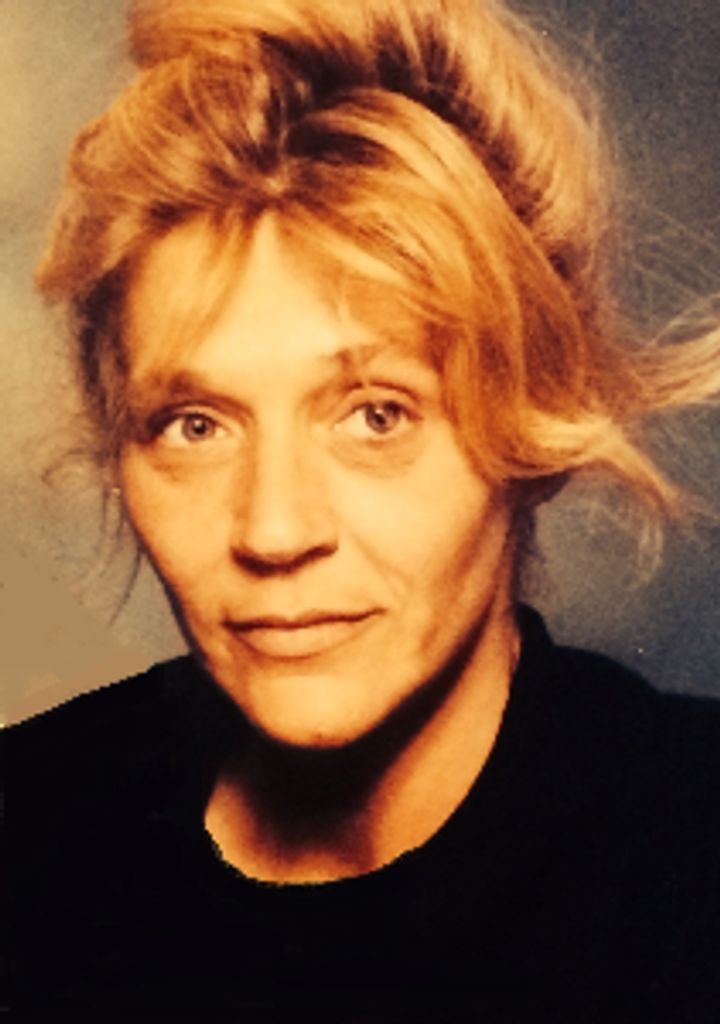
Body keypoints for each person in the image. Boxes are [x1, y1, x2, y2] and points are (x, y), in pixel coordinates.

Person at [5, 0, 720, 1019]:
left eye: (376, 415)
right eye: (195, 425)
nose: (275, 529)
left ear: (529, 420)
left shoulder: (686, 859)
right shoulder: (28, 832)